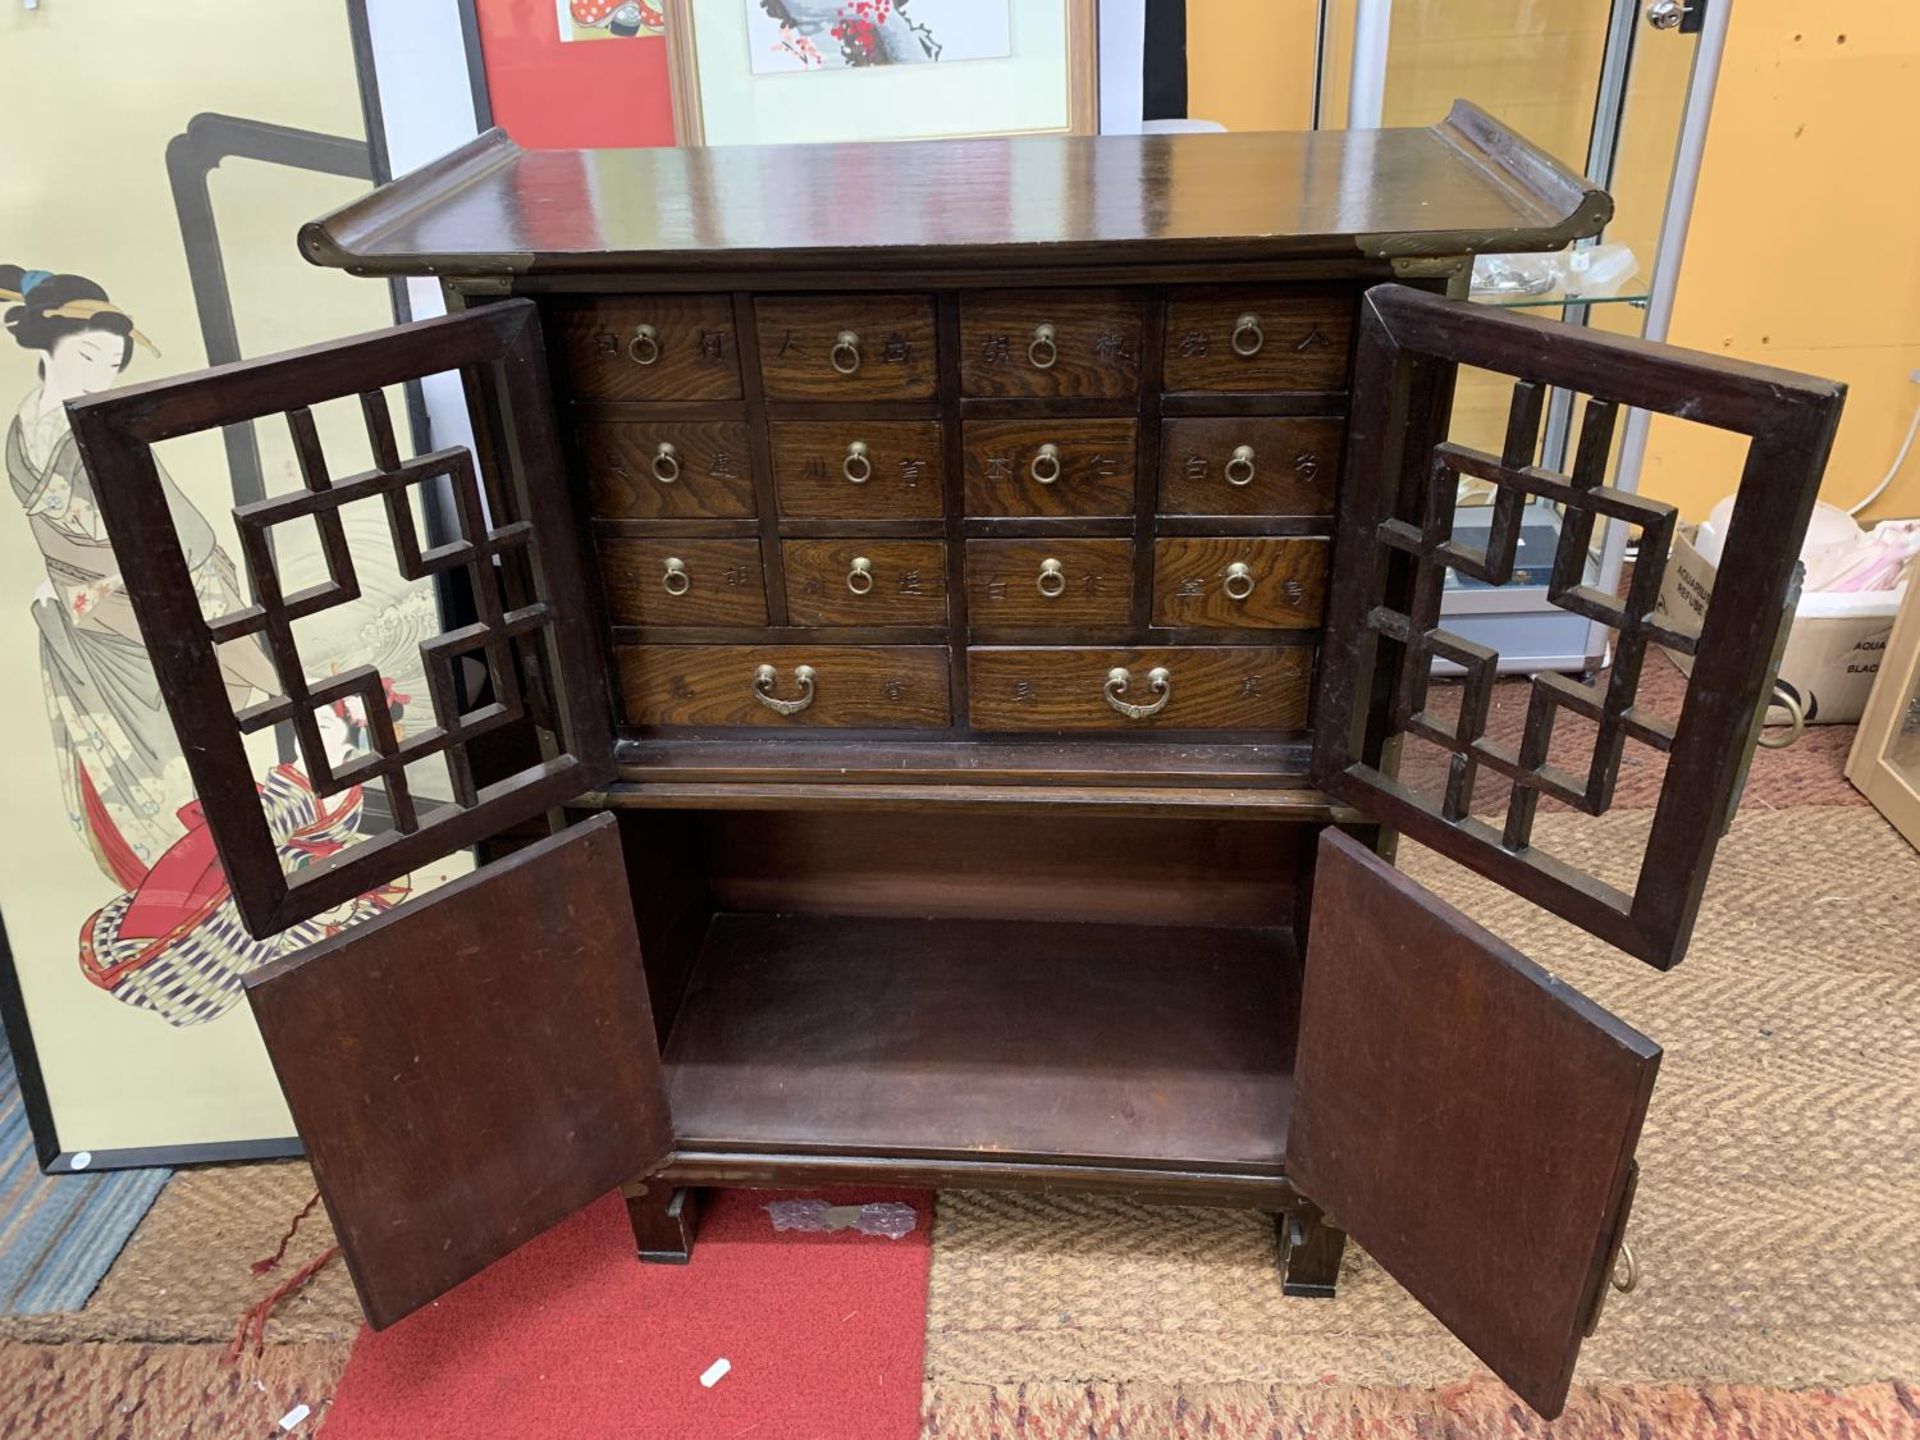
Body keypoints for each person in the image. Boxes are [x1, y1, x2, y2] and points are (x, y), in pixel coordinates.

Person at [4, 265, 399, 1025]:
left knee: (247, 724)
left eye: (113, 362)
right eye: (91, 356)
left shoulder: (63, 424)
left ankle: (269, 851)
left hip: (140, 600)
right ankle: (238, 888)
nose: (104, 373)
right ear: (46, 346)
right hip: (128, 615)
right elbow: (111, 545)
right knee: (190, 754)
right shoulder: (54, 437)